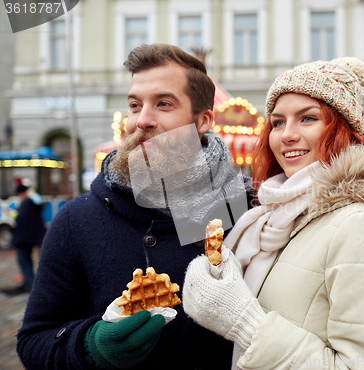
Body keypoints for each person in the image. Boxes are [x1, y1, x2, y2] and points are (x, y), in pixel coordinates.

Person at [183, 57, 364, 369]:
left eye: (307, 119)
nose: (286, 134)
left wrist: (245, 323)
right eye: (278, 122)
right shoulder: (277, 218)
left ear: (343, 129)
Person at [17, 44, 251, 370]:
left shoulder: (244, 210)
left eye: (163, 104)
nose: (142, 120)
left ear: (203, 120)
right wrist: (90, 344)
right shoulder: (77, 219)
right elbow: (34, 341)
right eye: (134, 105)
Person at [2, 179, 46, 296]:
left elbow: (22, 222)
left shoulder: (27, 204)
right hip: (29, 239)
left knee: (23, 260)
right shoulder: (32, 203)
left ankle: (29, 283)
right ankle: (30, 282)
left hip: (24, 239)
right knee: (27, 260)